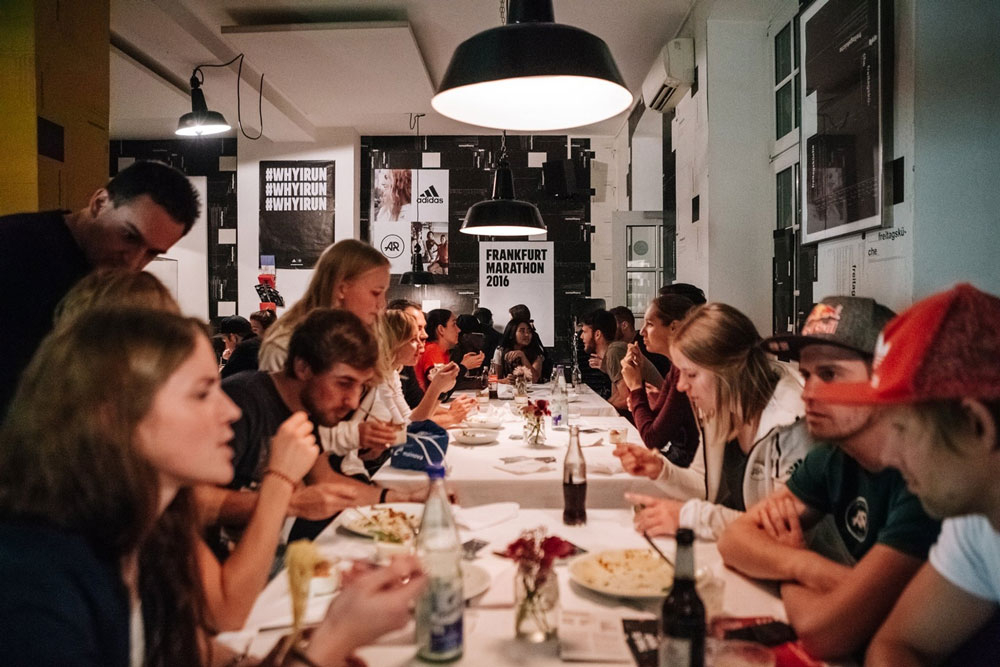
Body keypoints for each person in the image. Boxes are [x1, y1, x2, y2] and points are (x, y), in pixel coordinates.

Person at [0, 307, 425, 666]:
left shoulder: (154, 527)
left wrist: (313, 643)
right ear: (114, 414)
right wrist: (331, 642)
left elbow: (200, 649)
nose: (226, 408)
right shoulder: (37, 586)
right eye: (202, 393)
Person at [717, 297, 941, 660]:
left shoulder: (926, 479)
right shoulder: (835, 454)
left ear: (888, 377)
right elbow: (735, 538)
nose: (808, 394)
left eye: (830, 374)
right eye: (806, 376)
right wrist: (805, 565)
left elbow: (825, 634)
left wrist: (789, 557)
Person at [791, 285, 1000, 667]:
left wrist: (791, 561)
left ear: (977, 425)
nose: (887, 454)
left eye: (902, 430)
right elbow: (897, 645)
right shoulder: (975, 525)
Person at [0, 159, 198, 413]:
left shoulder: (112, 284)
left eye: (152, 253)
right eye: (129, 236)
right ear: (99, 203)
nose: (134, 261)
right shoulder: (13, 245)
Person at [618, 303, 814, 540]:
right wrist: (662, 470)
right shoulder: (720, 407)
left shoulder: (791, 422)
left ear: (729, 370)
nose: (681, 386)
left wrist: (689, 517)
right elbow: (705, 488)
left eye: (691, 375)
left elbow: (780, 527)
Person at [259, 239, 390, 371]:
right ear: (342, 289)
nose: (382, 304)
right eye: (376, 293)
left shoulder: (367, 339)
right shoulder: (284, 348)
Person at [619, 295, 700, 466]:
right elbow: (658, 423)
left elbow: (652, 438)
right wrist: (648, 399)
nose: (641, 332)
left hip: (686, 468)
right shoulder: (677, 367)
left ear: (673, 327)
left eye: (649, 324)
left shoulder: (684, 370)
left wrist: (635, 387)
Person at [371, 309, 460, 424]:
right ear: (393, 341)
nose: (421, 344)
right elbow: (406, 428)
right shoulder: (376, 378)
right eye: (413, 339)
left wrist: (440, 390)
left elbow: (409, 418)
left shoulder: (393, 374)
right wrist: (437, 388)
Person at [582, 308, 662, 411]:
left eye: (584, 332)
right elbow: (617, 394)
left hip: (656, 414)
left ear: (597, 334)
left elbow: (626, 398)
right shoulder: (612, 351)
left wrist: (600, 410)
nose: (581, 336)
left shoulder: (615, 351)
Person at [415, 309, 483, 391]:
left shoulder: (443, 352)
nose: (459, 330)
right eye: (454, 324)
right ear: (441, 329)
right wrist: (464, 366)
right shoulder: (432, 350)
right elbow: (441, 392)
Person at [610, 305, 671, 377]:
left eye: (612, 325)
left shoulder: (647, 344)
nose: (609, 330)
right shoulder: (619, 347)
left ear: (624, 325)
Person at [498, 317, 545, 382]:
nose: (527, 334)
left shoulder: (536, 352)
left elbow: (534, 379)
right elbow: (493, 380)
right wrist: (505, 380)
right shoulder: (501, 351)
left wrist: (522, 356)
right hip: (508, 390)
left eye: (529, 331)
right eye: (522, 331)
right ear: (512, 333)